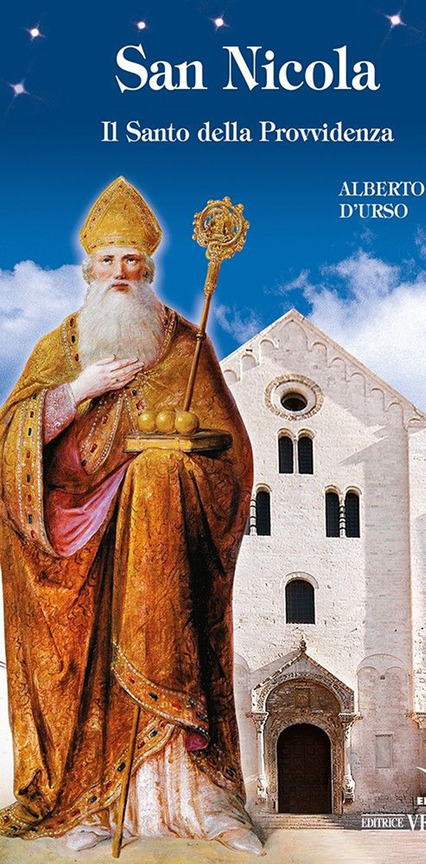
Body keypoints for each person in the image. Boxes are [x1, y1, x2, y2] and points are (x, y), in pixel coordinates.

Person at [0, 177, 263, 855]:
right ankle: (82, 801)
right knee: (80, 676)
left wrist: (177, 461)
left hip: (163, 541)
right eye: (108, 259)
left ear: (148, 270)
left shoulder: (186, 346)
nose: (120, 271)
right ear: (89, 270)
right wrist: (75, 392)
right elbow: (10, 444)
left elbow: (231, 457)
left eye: (132, 260)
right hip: (73, 548)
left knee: (157, 477)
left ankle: (195, 799)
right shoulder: (58, 348)